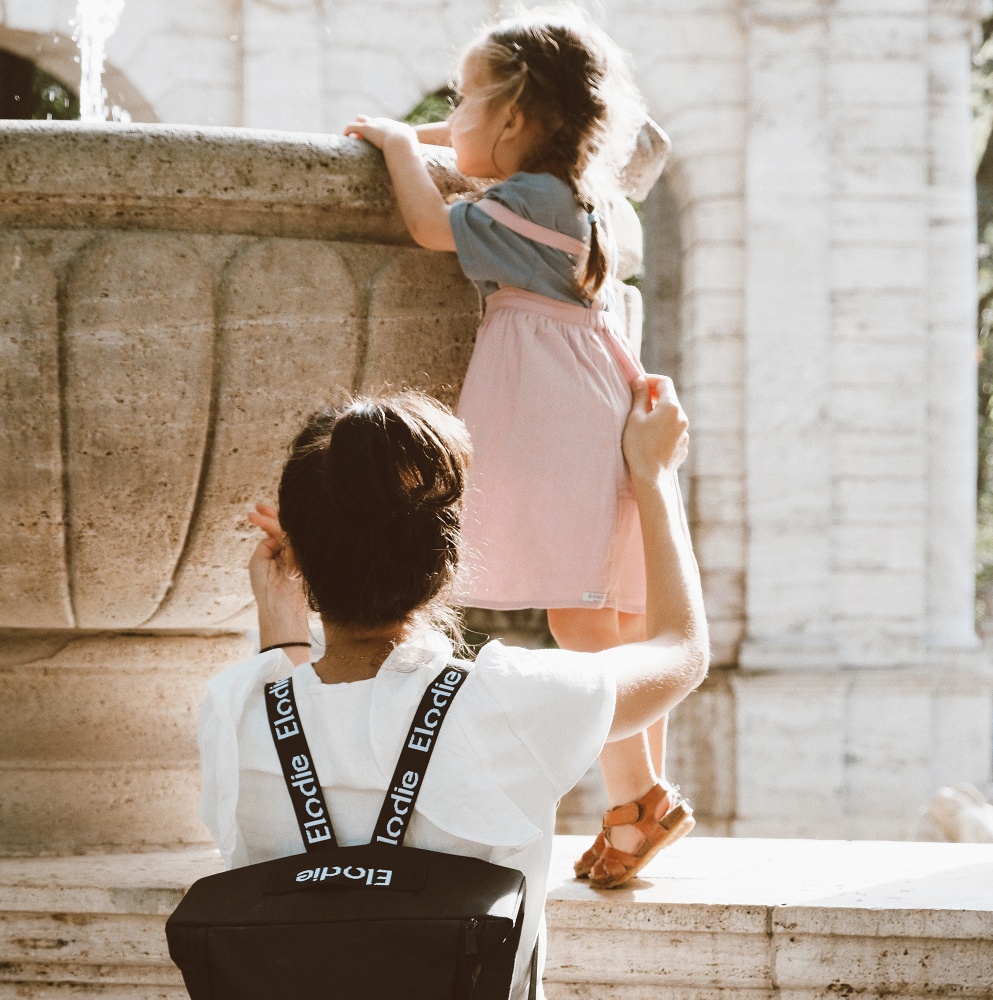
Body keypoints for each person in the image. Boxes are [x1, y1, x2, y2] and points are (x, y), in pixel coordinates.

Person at [197, 378, 707, 1000]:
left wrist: (283, 614)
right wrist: (655, 477)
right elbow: (682, 653)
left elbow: (305, 715)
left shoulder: (232, 710)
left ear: (299, 557)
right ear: (450, 551)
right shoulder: (507, 703)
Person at [342, 5, 698, 885]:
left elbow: (429, 222)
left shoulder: (521, 202)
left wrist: (394, 145)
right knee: (609, 616)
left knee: (583, 619)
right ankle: (637, 805)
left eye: (462, 99)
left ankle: (637, 805)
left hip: (560, 419)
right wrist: (438, 122)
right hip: (598, 400)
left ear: (515, 119)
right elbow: (475, 138)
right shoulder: (581, 197)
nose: (447, 114)